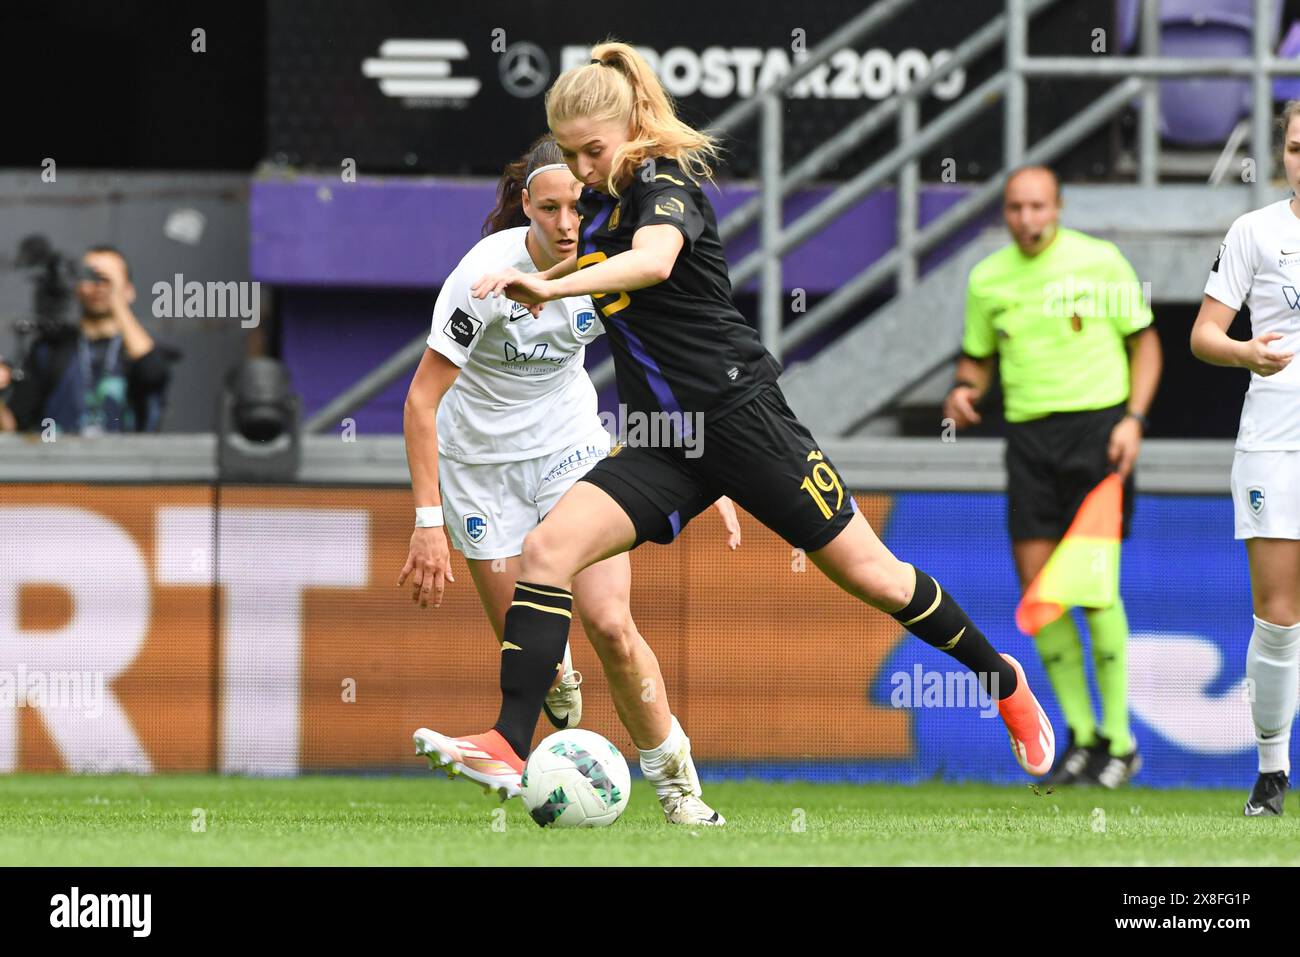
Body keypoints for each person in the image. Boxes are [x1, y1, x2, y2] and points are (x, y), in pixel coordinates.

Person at [456, 41, 1056, 783]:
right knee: (547, 553)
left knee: (876, 577)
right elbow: (598, 263)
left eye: (591, 152)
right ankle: (510, 743)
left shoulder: (663, 184)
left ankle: (1002, 680)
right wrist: (532, 277)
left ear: (630, 126)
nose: (581, 172)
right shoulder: (602, 205)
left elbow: (654, 262)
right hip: (663, 438)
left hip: (743, 420)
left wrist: (549, 288)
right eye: (572, 157)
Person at [399, 134, 739, 825]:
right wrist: (427, 522)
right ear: (524, 204)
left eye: (577, 207)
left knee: (612, 623)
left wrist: (714, 469)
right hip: (481, 472)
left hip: (571, 451)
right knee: (532, 658)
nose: (564, 224)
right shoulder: (481, 278)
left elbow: (665, 370)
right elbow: (420, 401)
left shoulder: (608, 263)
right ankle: (554, 695)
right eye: (548, 207)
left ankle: (680, 792)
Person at [943, 166, 1162, 788]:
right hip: (1028, 438)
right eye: (1016, 207)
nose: (1028, 218)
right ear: (1005, 213)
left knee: (1093, 587)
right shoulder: (988, 279)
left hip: (1097, 433)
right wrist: (963, 389)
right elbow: (977, 358)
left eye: (1038, 206)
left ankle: (1120, 742)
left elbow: (1146, 343)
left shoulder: (1101, 262)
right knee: (1041, 591)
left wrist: (1134, 420)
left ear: (1059, 207)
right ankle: (1080, 738)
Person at [1191, 101, 1300, 816]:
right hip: (1274, 441)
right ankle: (1270, 767)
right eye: (1297, 144)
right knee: (1279, 612)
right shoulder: (1254, 231)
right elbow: (1204, 334)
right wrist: (1245, 354)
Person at [6, 246, 173, 435]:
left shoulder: (138, 348)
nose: (99, 285)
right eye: (91, 276)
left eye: (108, 279)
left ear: (129, 290)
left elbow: (153, 374)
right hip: (59, 460)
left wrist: (116, 299)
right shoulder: (51, 349)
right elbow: (16, 422)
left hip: (127, 461)